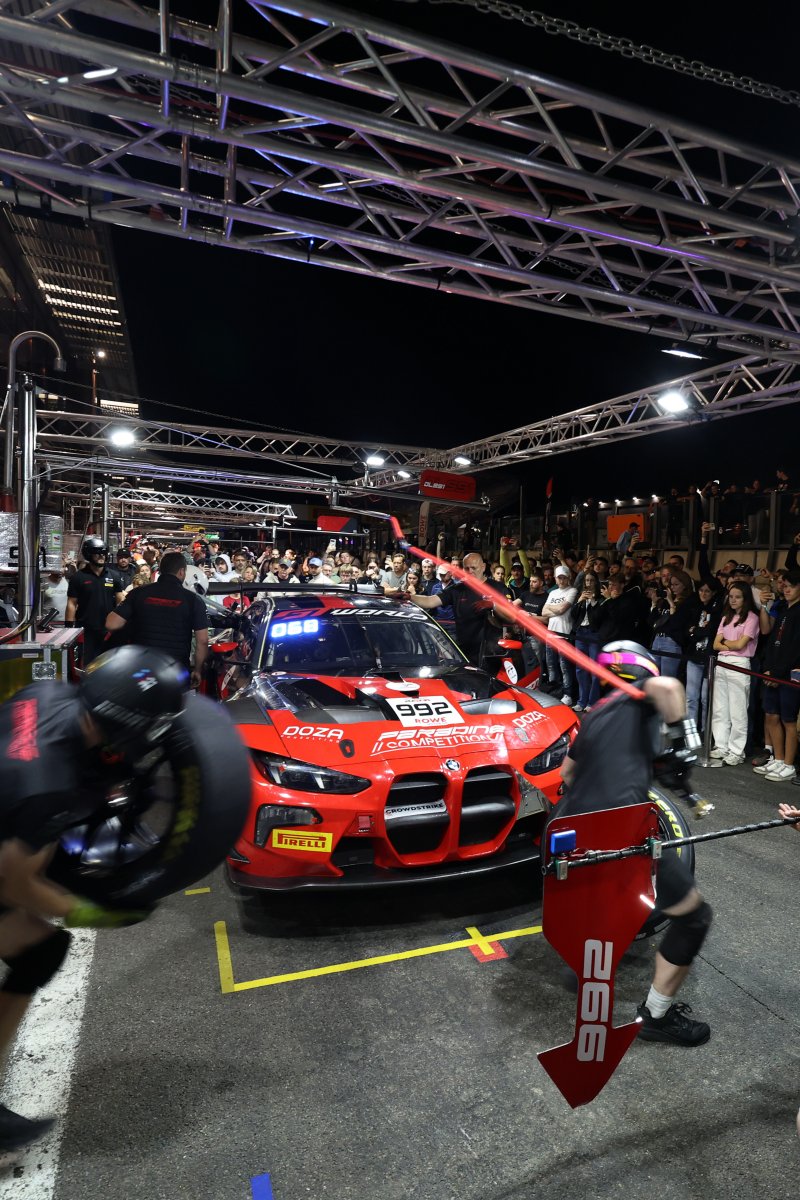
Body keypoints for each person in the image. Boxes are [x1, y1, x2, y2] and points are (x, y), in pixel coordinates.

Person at [0, 646, 187, 1150]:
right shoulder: (48, 787)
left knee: (40, 952)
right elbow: (14, 882)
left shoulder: (49, 691)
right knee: (35, 933)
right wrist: (90, 913)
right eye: (154, 726)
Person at [558, 641, 712, 1046]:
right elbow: (669, 687)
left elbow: (567, 774)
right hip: (622, 831)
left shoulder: (594, 714)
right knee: (694, 916)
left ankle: (587, 960)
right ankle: (656, 1016)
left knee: (614, 896)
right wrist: (681, 744)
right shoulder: (640, 694)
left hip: (577, 833)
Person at [105, 552, 209, 687]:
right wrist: (197, 670)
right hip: (176, 670)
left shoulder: (138, 593)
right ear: (182, 572)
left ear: (160, 570)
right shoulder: (193, 600)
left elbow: (111, 624)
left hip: (141, 669)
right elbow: (202, 641)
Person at [411, 551, 514, 666]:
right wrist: (409, 597)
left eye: (473, 568)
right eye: (466, 568)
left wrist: (493, 605)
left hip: (491, 652)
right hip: (464, 652)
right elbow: (430, 601)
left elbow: (512, 617)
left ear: (483, 567)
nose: (470, 571)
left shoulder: (498, 588)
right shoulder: (457, 589)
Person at [709, 583, 760, 767]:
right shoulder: (726, 617)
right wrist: (731, 644)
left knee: (738, 711)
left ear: (746, 599)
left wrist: (726, 643)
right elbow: (715, 644)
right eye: (731, 596)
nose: (733, 600)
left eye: (737, 597)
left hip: (739, 664)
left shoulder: (752, 618)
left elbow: (741, 645)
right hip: (722, 662)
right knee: (720, 709)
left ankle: (736, 751)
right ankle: (721, 745)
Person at [757, 569, 800, 783]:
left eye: (792, 586)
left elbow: (795, 649)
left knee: (788, 719)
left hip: (789, 674)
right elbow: (772, 640)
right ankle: (779, 758)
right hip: (772, 671)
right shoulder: (783, 609)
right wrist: (768, 669)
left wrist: (776, 672)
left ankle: (789, 765)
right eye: (785, 586)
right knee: (771, 715)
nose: (787, 589)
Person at [64, 538, 123, 666]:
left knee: (108, 663)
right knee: (87, 664)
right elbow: (72, 603)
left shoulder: (114, 576)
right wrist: (68, 627)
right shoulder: (78, 577)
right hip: (86, 629)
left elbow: (121, 600)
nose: (102, 556)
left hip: (108, 628)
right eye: (97, 553)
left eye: (104, 553)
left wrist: (121, 622)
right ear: (89, 555)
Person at [541, 565, 577, 705]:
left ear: (568, 578)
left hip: (564, 634)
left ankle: (568, 694)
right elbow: (544, 612)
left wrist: (552, 608)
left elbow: (562, 609)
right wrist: (556, 609)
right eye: (559, 578)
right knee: (551, 665)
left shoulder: (572, 590)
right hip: (551, 633)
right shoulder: (552, 593)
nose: (561, 580)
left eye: (563, 577)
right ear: (555, 579)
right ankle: (553, 691)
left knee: (564, 667)